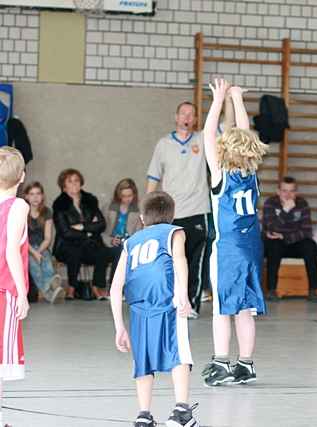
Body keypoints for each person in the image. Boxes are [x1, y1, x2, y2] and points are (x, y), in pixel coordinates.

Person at [200, 79, 268, 387]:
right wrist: (238, 99)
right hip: (252, 247)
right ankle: (246, 365)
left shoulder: (221, 175)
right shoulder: (251, 175)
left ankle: (220, 363)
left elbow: (206, 134)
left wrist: (218, 100)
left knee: (221, 308)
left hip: (228, 249)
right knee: (245, 310)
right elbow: (244, 134)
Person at [110, 191, 197, 427]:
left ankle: (144, 415)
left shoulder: (131, 242)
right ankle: (181, 410)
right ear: (172, 216)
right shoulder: (174, 232)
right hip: (167, 303)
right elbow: (180, 260)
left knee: (143, 362)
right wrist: (184, 295)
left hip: (139, 310)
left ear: (142, 217)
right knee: (179, 355)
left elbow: (116, 287)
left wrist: (119, 326)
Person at [146, 99, 231, 316]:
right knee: (168, 262)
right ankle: (167, 301)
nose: (186, 117)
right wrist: (147, 212)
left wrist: (227, 99)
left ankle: (190, 305)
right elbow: (153, 178)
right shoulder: (163, 144)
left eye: (191, 114)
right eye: (182, 113)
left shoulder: (203, 139)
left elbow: (228, 125)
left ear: (195, 119)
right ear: (176, 117)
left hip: (197, 211)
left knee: (195, 263)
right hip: (169, 214)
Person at [0, 147, 30, 427]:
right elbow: (11, 251)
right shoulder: (19, 206)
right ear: (22, 176)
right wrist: (22, 292)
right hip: (4, 289)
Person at [52, 169, 116, 300]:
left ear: (81, 182)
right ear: (63, 186)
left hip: (89, 245)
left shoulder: (90, 200)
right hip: (66, 246)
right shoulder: (59, 204)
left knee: (105, 252)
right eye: (70, 181)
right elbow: (65, 232)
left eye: (76, 180)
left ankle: (97, 286)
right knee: (74, 251)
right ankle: (71, 287)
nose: (74, 184)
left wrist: (82, 226)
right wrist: (89, 231)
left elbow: (101, 224)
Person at [263, 176, 317, 301]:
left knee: (310, 245)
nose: (288, 194)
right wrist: (285, 210)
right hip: (276, 243)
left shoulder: (302, 204)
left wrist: (285, 236)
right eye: (284, 191)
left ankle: (313, 290)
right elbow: (271, 228)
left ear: (296, 192)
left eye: (291, 191)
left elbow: (306, 231)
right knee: (274, 245)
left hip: (294, 242)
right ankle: (272, 290)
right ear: (278, 191)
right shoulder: (270, 203)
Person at [23, 182, 64, 303]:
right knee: (33, 264)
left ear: (42, 196)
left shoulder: (46, 212)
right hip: (26, 247)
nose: (35, 197)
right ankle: (49, 289)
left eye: (38, 194)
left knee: (45, 257)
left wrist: (39, 251)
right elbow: (22, 238)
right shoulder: (22, 212)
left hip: (41, 246)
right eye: (32, 194)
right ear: (26, 196)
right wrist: (33, 253)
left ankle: (52, 283)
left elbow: (48, 238)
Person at [104, 178, 143, 267]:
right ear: (118, 195)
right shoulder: (108, 207)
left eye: (129, 195)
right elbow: (102, 230)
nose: (126, 199)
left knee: (121, 253)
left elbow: (139, 233)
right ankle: (100, 281)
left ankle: (115, 281)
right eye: (123, 196)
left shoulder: (139, 209)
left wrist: (127, 242)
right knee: (102, 254)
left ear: (134, 194)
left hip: (129, 245)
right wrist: (111, 241)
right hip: (109, 242)